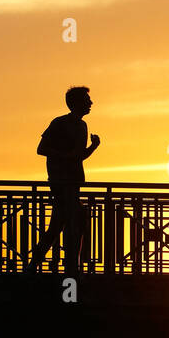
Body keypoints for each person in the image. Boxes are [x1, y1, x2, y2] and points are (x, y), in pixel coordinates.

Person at [25, 86, 100, 274]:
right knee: (70, 222)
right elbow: (41, 149)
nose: (91, 103)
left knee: (64, 224)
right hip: (60, 182)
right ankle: (69, 268)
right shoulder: (59, 123)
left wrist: (93, 147)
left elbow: (79, 156)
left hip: (74, 182)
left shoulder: (82, 126)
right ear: (75, 103)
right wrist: (66, 155)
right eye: (87, 99)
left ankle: (40, 265)